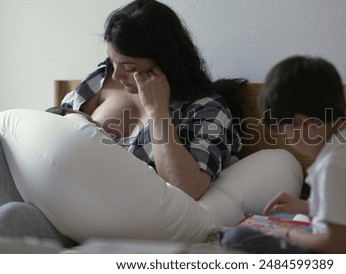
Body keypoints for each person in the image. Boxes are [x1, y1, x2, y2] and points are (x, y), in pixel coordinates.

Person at [0, 0, 244, 245]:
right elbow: (48, 134)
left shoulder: (207, 108)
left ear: (165, 62)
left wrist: (157, 111)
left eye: (129, 67)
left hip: (98, 226)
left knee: (9, 219)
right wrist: (72, 121)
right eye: (113, 62)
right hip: (51, 199)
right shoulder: (103, 79)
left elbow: (188, 188)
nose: (116, 75)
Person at [221, 56, 346, 253]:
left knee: (237, 238)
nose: (291, 144)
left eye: (288, 136)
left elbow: (336, 246)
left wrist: (289, 234)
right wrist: (307, 206)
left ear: (306, 126)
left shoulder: (334, 165)